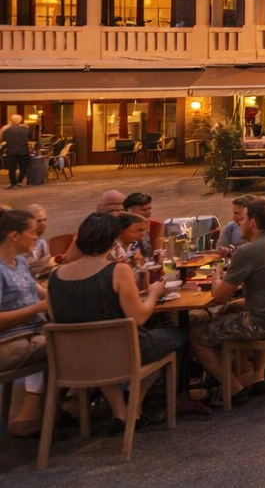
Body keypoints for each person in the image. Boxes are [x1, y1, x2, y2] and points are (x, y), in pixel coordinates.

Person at [48, 211, 190, 432]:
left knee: (100, 343)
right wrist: (153, 292)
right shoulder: (117, 271)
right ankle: (135, 407)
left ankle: (119, 412)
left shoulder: (55, 276)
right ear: (112, 239)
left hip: (73, 359)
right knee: (177, 335)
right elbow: (140, 317)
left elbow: (56, 318)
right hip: (121, 353)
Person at [190, 198, 265, 405]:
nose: (239, 222)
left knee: (195, 333)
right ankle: (253, 375)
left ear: (253, 222)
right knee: (231, 308)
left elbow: (219, 296)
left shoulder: (248, 251)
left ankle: (233, 389)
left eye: (243, 218)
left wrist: (216, 277)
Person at [0, 208, 48, 434]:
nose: (37, 235)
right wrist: (36, 309)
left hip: (34, 335)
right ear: (14, 235)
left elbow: (41, 293)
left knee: (75, 337)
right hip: (10, 343)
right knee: (74, 345)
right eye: (31, 231)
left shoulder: (19, 262)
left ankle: (57, 409)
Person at [2, 115, 30, 189]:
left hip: (11, 151)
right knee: (23, 168)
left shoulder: (7, 130)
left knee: (12, 168)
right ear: (20, 120)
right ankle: (19, 181)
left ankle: (13, 183)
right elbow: (30, 138)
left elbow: (4, 140)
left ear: (11, 120)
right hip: (23, 150)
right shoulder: (25, 129)